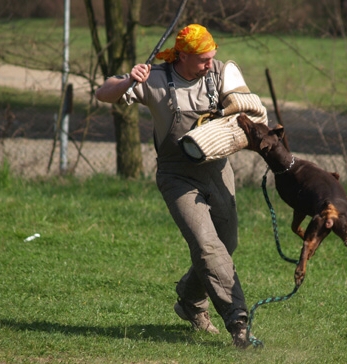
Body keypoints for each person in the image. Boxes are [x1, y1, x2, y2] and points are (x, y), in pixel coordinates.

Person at [95, 24, 251, 348]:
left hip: (218, 170)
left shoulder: (219, 73)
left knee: (226, 244)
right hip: (177, 176)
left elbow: (244, 104)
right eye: (202, 59)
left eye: (212, 57)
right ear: (181, 55)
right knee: (207, 246)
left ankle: (190, 301)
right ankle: (238, 322)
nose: (210, 63)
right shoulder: (154, 79)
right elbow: (103, 93)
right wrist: (128, 80)